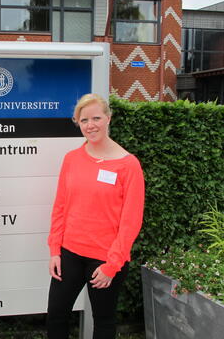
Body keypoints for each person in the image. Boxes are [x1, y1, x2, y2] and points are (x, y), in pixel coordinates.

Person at [46, 93, 145, 339]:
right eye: (84, 120)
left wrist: (112, 265)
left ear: (108, 119)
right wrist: (55, 250)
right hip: (70, 253)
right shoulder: (72, 159)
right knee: (56, 314)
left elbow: (131, 222)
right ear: (78, 123)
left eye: (96, 118)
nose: (90, 125)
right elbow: (60, 206)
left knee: (103, 320)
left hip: (105, 259)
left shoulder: (128, 165)